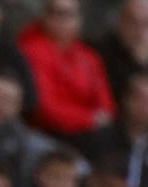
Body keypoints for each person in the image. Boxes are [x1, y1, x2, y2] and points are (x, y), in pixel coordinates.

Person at [18, 0, 116, 142]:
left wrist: (95, 119)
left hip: (88, 132)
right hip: (45, 133)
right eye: (54, 13)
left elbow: (106, 105)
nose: (60, 20)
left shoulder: (89, 56)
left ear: (79, 20)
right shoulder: (31, 50)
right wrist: (88, 119)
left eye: (67, 14)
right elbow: (44, 109)